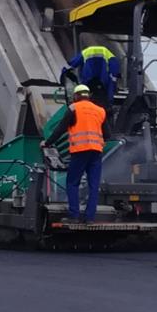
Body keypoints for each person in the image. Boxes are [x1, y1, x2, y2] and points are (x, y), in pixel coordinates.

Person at [46, 84, 107, 223]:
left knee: (72, 183)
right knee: (94, 186)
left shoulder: (73, 108)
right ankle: (89, 218)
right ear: (88, 96)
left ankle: (74, 215)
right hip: (96, 152)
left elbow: (60, 129)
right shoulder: (100, 111)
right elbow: (107, 134)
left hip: (80, 152)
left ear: (76, 96)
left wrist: (47, 143)